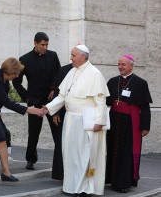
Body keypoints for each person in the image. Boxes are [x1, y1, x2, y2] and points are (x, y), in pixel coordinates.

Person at [42, 45, 109, 196]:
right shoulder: (72, 71)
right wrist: (48, 108)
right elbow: (62, 96)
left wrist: (100, 121)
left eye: (73, 55)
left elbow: (100, 101)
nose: (70, 58)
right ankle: (71, 186)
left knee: (84, 155)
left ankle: (84, 188)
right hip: (70, 119)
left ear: (82, 57)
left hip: (87, 121)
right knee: (70, 155)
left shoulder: (94, 74)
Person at [12, 32, 63, 179]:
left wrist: (55, 90)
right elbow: (16, 81)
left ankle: (60, 160)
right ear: (35, 43)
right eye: (42, 45)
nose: (45, 47)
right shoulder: (25, 59)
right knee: (33, 132)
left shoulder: (53, 56)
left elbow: (59, 76)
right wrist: (26, 98)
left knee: (57, 131)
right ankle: (30, 160)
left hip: (52, 101)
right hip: (34, 101)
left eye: (47, 45)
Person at [105, 55, 152, 193]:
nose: (120, 67)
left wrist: (145, 126)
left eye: (123, 65)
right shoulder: (113, 81)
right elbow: (106, 101)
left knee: (127, 153)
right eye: (119, 64)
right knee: (113, 150)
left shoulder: (140, 83)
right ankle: (112, 180)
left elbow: (144, 107)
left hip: (131, 123)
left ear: (131, 65)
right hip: (114, 121)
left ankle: (124, 183)